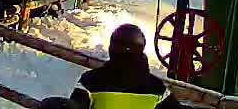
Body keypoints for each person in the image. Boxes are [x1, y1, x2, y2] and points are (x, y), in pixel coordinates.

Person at [40, 23, 179, 109]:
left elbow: (77, 105)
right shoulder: (157, 87)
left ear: (112, 49)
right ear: (141, 49)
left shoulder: (91, 80)